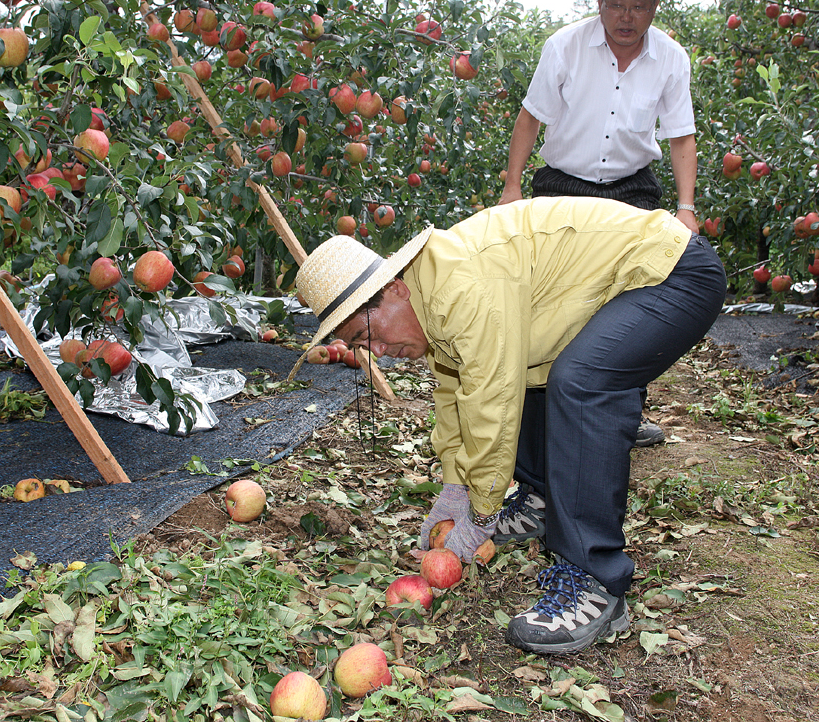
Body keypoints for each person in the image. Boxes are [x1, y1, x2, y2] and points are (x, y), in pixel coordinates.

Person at [294, 197, 726, 654]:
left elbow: (491, 404)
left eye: (369, 336)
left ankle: (595, 581)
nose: (377, 352)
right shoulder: (431, 295)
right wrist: (454, 487)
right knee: (531, 373)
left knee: (579, 383)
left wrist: (480, 514)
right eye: (362, 347)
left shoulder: (460, 287)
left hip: (673, 273)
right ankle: (541, 499)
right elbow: (455, 396)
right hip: (626, 285)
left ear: (395, 289)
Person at [502, 0, 699, 453]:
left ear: (656, 5)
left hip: (632, 188)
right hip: (563, 184)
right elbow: (530, 118)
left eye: (637, 5)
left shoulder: (672, 59)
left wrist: (685, 207)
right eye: (615, 4)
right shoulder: (564, 47)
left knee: (633, 301)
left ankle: (626, 414)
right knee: (551, 299)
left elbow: (681, 137)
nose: (625, 17)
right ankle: (543, 414)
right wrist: (513, 185)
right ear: (598, 2)